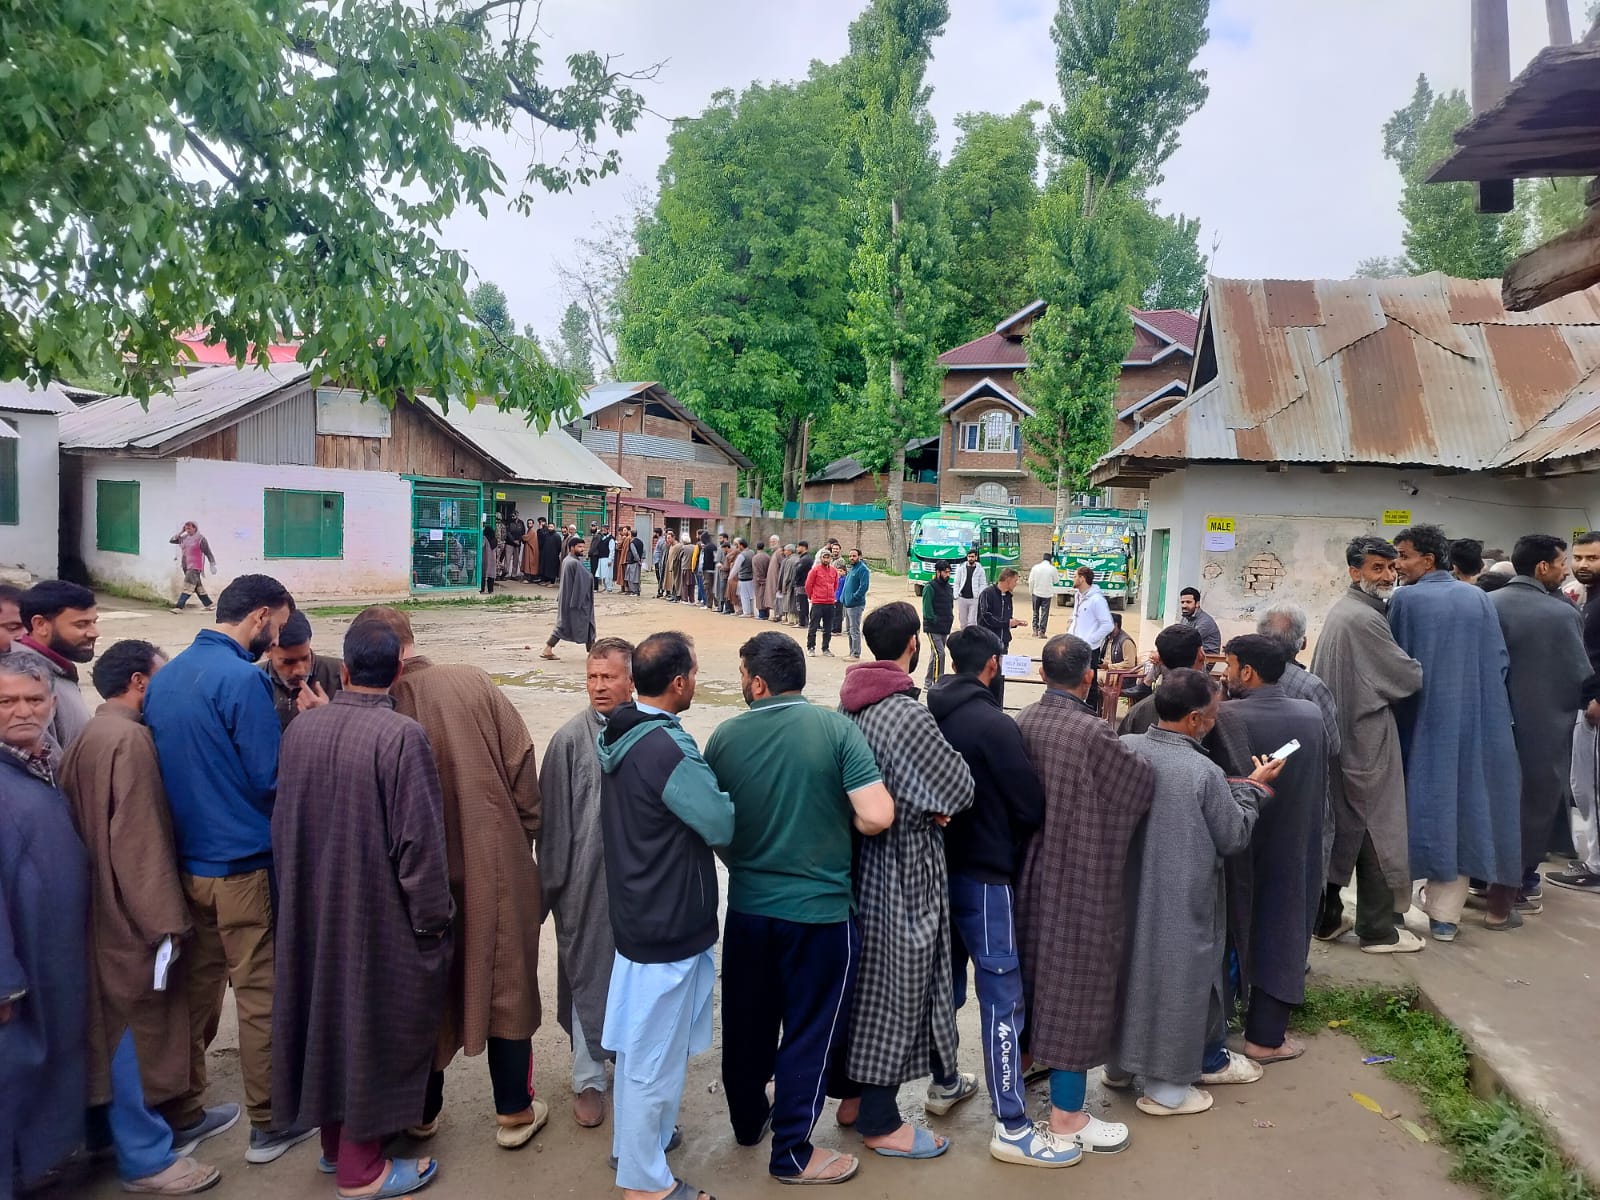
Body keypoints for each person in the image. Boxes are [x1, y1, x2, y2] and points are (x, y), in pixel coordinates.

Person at [704, 631, 894, 1186]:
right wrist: (846, 823)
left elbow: (716, 823)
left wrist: (741, 858)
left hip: (748, 911)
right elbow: (878, 814)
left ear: (758, 682)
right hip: (819, 916)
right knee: (809, 1032)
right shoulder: (835, 730)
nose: (742, 682)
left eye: (743, 674)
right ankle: (792, 1151)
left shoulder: (724, 738)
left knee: (746, 1023)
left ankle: (748, 1124)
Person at [271, 620, 452, 1199]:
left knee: (323, 1018)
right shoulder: (401, 736)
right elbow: (420, 844)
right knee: (372, 1029)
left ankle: (333, 1146)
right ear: (399, 672)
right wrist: (431, 922)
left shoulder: (303, 728)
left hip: (312, 906)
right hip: (376, 914)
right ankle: (360, 1168)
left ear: (343, 670)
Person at [355, 606, 548, 1149]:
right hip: (496, 863)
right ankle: (514, 1111)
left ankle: (421, 1112)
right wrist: (523, 836)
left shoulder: (374, 703)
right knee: (506, 981)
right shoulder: (471, 682)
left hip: (412, 878)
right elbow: (522, 767)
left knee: (426, 989)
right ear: (411, 642)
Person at [144, 574, 312, 1164]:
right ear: (261, 616)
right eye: (280, 623)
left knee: (196, 989)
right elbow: (272, 779)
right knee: (260, 994)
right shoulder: (241, 679)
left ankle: (184, 1109)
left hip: (188, 865)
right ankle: (271, 1121)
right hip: (243, 866)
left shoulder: (165, 680)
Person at [61, 640, 226, 1195]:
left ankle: (136, 1133)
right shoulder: (130, 742)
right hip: (129, 918)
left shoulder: (90, 731)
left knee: (115, 1029)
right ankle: (146, 1157)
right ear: (139, 683)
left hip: (100, 905)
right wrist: (165, 922)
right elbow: (139, 842)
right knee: (133, 1031)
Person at [927, 628, 1074, 1166]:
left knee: (944, 986)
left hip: (932, 873)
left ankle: (944, 1082)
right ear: (993, 665)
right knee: (1002, 998)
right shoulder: (993, 724)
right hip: (986, 877)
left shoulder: (928, 712)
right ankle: (1011, 1123)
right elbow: (1030, 805)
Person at [596, 633, 733, 1200]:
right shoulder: (665, 750)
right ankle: (646, 1185)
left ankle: (635, 1148)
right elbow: (721, 823)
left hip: (639, 912)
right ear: (679, 683)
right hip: (666, 923)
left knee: (639, 1048)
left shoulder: (625, 731)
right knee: (652, 1056)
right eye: (695, 674)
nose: (696, 682)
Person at [834, 603, 973, 1161]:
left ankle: (850, 1098)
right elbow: (957, 786)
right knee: (900, 985)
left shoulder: (846, 708)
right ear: (914, 643)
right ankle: (881, 1118)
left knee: (865, 983)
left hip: (857, 866)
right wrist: (935, 806)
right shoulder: (904, 713)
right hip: (904, 866)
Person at [1110, 669, 1280, 1116]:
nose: (1215, 720)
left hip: (1125, 893)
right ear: (1192, 720)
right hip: (1180, 898)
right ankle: (1166, 1090)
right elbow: (1233, 836)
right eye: (1212, 713)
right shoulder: (1201, 770)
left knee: (1126, 975)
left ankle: (1118, 1067)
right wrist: (1254, 789)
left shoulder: (1125, 748)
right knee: (1178, 984)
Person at [1014, 635, 1152, 1155]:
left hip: (1027, 871)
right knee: (1076, 983)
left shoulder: (1025, 721)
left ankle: (1013, 1094)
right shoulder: (1093, 732)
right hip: (1081, 873)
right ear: (1089, 676)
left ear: (1043, 673)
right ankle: (1068, 1116)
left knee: (1027, 979)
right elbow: (1138, 787)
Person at [1387, 524, 1520, 940]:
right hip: (1473, 725)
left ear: (1427, 560)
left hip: (1419, 722)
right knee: (1462, 811)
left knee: (1406, 811)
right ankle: (1446, 919)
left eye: (1404, 556)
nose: (1398, 565)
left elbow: (1394, 664)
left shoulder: (1405, 600)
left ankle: (1393, 910)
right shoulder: (1478, 598)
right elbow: (1499, 661)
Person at [0, 653, 93, 1197]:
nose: (22, 711)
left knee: (49, 1072)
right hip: (18, 970)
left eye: (34, 700)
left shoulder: (43, 762)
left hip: (53, 954)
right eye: (6, 701)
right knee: (13, 1080)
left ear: (53, 704)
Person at [1309, 537, 1425, 953]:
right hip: (1366, 739)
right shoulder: (1364, 618)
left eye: (1391, 567)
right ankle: (1378, 929)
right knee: (1379, 829)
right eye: (1378, 568)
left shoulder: (1349, 611)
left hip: (1345, 736)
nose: (1388, 576)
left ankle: (1326, 919)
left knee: (1340, 830)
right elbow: (1406, 677)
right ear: (1355, 572)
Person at [539, 639, 635, 1128]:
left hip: (640, 889)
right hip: (585, 888)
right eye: (592, 677)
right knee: (586, 974)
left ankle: (633, 1070)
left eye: (608, 677)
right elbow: (553, 830)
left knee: (637, 983)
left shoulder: (650, 732)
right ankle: (588, 1078)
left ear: (631, 679)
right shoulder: (570, 741)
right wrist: (552, 892)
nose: (598, 686)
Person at [1221, 634, 1327, 1063]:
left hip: (1236, 842)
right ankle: (1266, 1037)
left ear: (1246, 671)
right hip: (1294, 840)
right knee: (1282, 929)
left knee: (1227, 928)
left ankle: (1215, 1026)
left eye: (1228, 666)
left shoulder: (1224, 716)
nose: (1225, 674)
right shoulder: (1311, 715)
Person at [1488, 534, 1590, 920]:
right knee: (1534, 805)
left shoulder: (1487, 603)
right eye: (1563, 561)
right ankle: (1508, 894)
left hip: (1491, 724)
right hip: (1539, 728)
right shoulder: (1560, 613)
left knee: (1493, 800)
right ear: (1543, 567)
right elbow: (1576, 674)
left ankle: (1483, 882)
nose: (1566, 569)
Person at [1254, 601, 1343, 933]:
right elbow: (1333, 746)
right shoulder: (1311, 688)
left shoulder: (1243, 677)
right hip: (1304, 798)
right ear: (1302, 643)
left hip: (1253, 789)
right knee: (1301, 877)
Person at [1553, 532, 1600, 893]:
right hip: (1586, 705)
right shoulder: (1590, 598)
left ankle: (1596, 867)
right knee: (1583, 788)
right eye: (1579, 558)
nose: (1583, 565)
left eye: (1593, 558)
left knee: (1590, 789)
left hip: (1595, 708)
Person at [15, 579, 99, 748]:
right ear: (40, 625)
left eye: (94, 622)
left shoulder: (56, 669)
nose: (94, 633)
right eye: (81, 624)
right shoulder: (25, 679)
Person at [262, 610, 343, 731]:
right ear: (268, 651)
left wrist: (327, 716)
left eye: (305, 658)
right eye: (288, 662)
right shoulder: (254, 681)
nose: (300, 670)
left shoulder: (341, 674)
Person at [544, 537, 597, 660]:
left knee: (580, 624)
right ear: (572, 548)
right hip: (576, 600)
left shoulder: (567, 560)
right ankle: (548, 648)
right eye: (579, 547)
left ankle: (593, 652)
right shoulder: (573, 562)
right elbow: (584, 579)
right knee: (567, 624)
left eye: (583, 547)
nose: (582, 549)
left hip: (569, 598)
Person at [976, 568, 1023, 706]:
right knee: (986, 676)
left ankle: (998, 707)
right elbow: (985, 617)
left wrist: (1014, 623)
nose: (1016, 584)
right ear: (1008, 580)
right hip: (988, 644)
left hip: (1003, 644)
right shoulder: (987, 594)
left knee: (1000, 678)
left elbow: (1006, 619)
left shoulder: (1008, 597)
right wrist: (1007, 623)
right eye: (1015, 580)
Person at [1067, 567, 1113, 709]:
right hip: (1075, 645)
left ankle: (1090, 711)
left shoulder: (1097, 599)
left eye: (1075, 576)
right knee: (1074, 680)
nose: (1073, 579)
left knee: (1089, 682)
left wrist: (1090, 640)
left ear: (1082, 578)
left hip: (1089, 649)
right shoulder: (1078, 596)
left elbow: (1108, 625)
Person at [169, 522, 217, 613]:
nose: (188, 530)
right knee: (197, 587)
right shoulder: (184, 538)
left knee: (188, 586)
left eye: (189, 528)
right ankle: (209, 604)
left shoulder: (201, 539)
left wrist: (212, 564)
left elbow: (208, 552)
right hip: (186, 565)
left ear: (195, 528)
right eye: (186, 528)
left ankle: (179, 607)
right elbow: (172, 540)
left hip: (195, 566)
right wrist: (181, 532)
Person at [921, 560, 955, 689]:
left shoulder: (948, 587)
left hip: (945, 626)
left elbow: (949, 605)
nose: (948, 575)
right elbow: (927, 609)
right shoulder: (930, 587)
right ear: (938, 572)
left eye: (949, 572)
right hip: (933, 627)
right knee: (940, 654)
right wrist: (934, 619)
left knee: (934, 654)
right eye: (945, 572)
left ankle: (927, 683)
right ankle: (937, 684)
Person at [804, 548, 840, 657]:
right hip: (818, 602)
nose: (826, 559)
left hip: (829, 602)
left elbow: (836, 585)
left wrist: (831, 596)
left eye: (828, 557)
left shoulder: (834, 571)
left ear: (830, 558)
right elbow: (808, 585)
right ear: (821, 558)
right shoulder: (815, 570)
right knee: (813, 626)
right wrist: (812, 596)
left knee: (828, 627)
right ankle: (811, 647)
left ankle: (826, 648)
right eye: (824, 557)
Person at [839, 548, 870, 659]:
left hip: (856, 604)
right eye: (850, 556)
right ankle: (851, 651)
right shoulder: (852, 568)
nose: (851, 558)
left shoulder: (863, 569)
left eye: (854, 556)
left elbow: (864, 587)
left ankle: (856, 653)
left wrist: (854, 597)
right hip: (847, 604)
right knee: (849, 629)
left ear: (859, 556)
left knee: (854, 629)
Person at [1179, 587, 1221, 654]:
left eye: (1188, 602)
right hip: (1190, 654)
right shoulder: (1185, 617)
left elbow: (1187, 641)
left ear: (1197, 604)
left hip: (1206, 658)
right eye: (1182, 602)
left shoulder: (1205, 621)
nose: (1184, 605)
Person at [955, 549, 986, 631]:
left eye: (972, 557)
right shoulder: (961, 569)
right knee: (963, 621)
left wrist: (978, 595)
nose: (970, 558)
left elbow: (983, 584)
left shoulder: (980, 570)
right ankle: (964, 638)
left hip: (974, 599)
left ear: (976, 557)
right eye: (969, 557)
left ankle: (972, 639)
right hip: (962, 598)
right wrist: (956, 594)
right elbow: (957, 582)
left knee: (972, 621)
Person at [1027, 552, 1056, 638]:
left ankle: (1035, 630)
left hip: (1036, 593)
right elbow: (1056, 580)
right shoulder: (1052, 569)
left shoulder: (1035, 568)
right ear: (1050, 560)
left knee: (1035, 612)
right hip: (1047, 594)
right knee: (1044, 613)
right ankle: (1042, 632)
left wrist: (1031, 591)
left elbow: (1031, 581)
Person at [790, 541, 814, 627]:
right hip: (804, 583)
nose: (797, 549)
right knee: (803, 603)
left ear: (803, 547)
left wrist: (795, 580)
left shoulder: (805, 559)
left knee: (801, 603)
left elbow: (798, 571)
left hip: (801, 583)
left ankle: (802, 622)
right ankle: (804, 621)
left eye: (798, 547)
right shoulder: (807, 558)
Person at [754, 536, 777, 619]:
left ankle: (761, 614)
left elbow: (756, 571)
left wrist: (759, 579)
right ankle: (766, 613)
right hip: (766, 579)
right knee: (765, 597)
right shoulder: (768, 556)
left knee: (759, 597)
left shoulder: (755, 557)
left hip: (759, 580)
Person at [734, 537, 757, 617]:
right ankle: (751, 612)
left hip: (743, 578)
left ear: (741, 545)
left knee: (744, 596)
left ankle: (746, 612)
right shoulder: (752, 552)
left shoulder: (742, 555)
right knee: (751, 596)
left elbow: (736, 567)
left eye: (738, 545)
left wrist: (731, 576)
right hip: (751, 577)